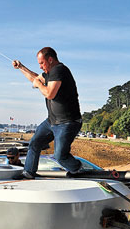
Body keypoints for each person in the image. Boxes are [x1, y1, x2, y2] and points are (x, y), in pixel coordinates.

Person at [13, 47, 82, 178]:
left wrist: (38, 84)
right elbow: (34, 78)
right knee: (34, 143)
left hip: (67, 122)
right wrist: (21, 67)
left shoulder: (59, 70)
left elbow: (50, 94)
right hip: (52, 121)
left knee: (60, 156)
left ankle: (77, 168)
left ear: (50, 60)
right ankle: (28, 172)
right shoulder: (50, 72)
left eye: (41, 63)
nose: (40, 66)